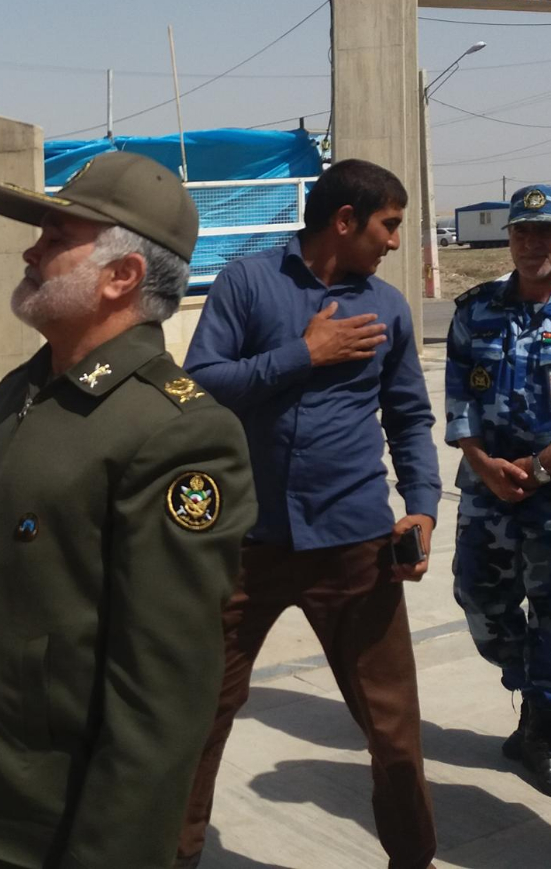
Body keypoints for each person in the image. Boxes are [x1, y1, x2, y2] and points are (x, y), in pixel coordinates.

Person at [0, 151, 257, 869]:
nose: (30, 252)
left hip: (58, 819)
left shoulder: (178, 432)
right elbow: (10, 539)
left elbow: (163, 692)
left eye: (56, 238)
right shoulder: (27, 389)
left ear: (121, 276)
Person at [178, 157, 443, 869]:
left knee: (393, 733)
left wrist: (422, 507)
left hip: (355, 546)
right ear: (346, 220)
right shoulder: (246, 283)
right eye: (389, 224)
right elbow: (198, 387)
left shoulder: (386, 306)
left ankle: (412, 858)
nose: (395, 241)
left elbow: (409, 416)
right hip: (244, 546)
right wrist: (303, 355)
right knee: (196, 720)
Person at [445, 184, 551, 799]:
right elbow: (459, 393)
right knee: (478, 597)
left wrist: (542, 467)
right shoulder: (477, 309)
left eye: (548, 231)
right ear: (508, 237)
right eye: (522, 231)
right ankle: (527, 680)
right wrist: (481, 463)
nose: (534, 242)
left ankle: (542, 730)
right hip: (488, 489)